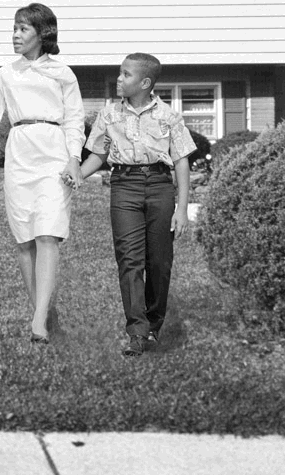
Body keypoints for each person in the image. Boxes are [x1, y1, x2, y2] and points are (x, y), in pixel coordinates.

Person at [0, 3, 84, 345]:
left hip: (54, 153)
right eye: (14, 28)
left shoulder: (63, 73)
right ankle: (43, 312)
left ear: (42, 34)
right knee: (26, 240)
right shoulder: (5, 74)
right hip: (20, 153)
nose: (15, 35)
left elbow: (73, 119)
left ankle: (39, 320)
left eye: (23, 29)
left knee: (48, 234)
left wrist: (74, 159)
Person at [79, 53, 195, 357]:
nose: (119, 79)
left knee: (159, 263)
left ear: (145, 82)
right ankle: (137, 331)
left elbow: (181, 161)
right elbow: (98, 155)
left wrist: (182, 208)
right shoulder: (108, 115)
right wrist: (76, 175)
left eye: (125, 75)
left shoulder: (169, 116)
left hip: (159, 188)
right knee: (130, 260)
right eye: (119, 73)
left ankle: (154, 324)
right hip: (124, 188)